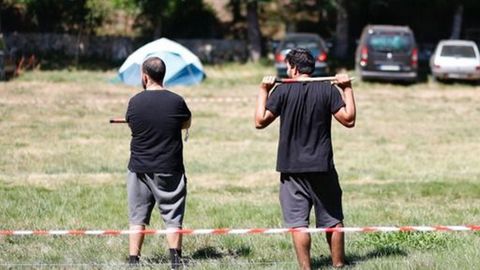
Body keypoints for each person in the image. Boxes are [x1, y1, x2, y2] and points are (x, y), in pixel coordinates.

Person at [254, 48, 356, 269]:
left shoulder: (282, 92)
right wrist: (347, 88)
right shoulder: (327, 90)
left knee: (299, 224)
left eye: (288, 66)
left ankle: (306, 268)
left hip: (292, 169)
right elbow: (349, 119)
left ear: (295, 68)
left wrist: (263, 90)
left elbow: (259, 121)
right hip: (322, 166)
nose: (287, 70)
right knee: (332, 220)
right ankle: (339, 265)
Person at [125, 57, 191, 269]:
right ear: (164, 75)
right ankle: (175, 261)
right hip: (169, 167)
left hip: (139, 168)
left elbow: (132, 125)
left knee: (137, 217)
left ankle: (134, 261)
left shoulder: (135, 102)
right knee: (173, 217)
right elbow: (186, 122)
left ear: (145, 76)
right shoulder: (176, 101)